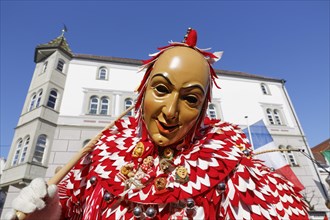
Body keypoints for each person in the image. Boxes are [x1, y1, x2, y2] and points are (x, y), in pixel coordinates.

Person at [7, 28, 309, 220]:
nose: (170, 112)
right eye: (161, 90)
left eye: (191, 99)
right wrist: (50, 213)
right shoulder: (100, 155)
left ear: (203, 109)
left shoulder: (232, 170)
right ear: (143, 92)